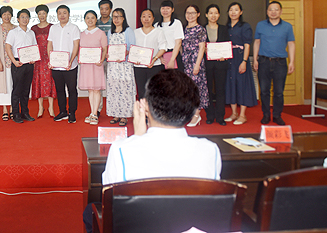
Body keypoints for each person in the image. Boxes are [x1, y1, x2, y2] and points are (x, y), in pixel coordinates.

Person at [83, 69, 222, 233]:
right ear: (192, 112)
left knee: (90, 212)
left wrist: (138, 137)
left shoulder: (122, 150)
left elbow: (110, 198)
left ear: (146, 107)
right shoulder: (210, 151)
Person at [253, 1, 295, 126]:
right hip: (264, 61)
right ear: (267, 12)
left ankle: (277, 115)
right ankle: (266, 115)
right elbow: (257, 42)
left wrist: (292, 61)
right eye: (271, 9)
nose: (273, 12)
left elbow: (291, 44)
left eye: (276, 9)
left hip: (280, 63)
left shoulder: (287, 26)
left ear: (280, 11)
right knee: (264, 91)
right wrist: (255, 59)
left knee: (279, 92)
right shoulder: (260, 25)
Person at [225, 2, 257, 125]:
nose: (233, 12)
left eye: (236, 10)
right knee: (231, 85)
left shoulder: (245, 26)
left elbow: (247, 45)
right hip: (229, 59)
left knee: (242, 86)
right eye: (231, 10)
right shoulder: (226, 27)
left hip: (240, 58)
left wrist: (244, 61)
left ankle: (243, 115)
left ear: (241, 12)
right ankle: (234, 113)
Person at [47, 4, 81, 123]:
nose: (62, 15)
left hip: (70, 66)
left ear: (69, 14)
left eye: (64, 13)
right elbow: (50, 44)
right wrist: (51, 60)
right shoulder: (53, 28)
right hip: (56, 66)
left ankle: (72, 112)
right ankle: (62, 112)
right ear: (57, 15)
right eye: (59, 13)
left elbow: (76, 45)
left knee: (72, 90)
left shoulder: (74, 28)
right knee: (59, 90)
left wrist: (70, 61)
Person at [5, 9, 37, 123]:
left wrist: (33, 59)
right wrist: (14, 61)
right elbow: (8, 47)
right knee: (17, 90)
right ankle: (15, 114)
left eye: (27, 17)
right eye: (22, 17)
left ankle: (25, 113)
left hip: (29, 63)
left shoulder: (31, 33)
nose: (25, 19)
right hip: (18, 63)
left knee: (26, 90)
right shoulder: (13, 32)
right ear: (18, 19)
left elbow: (34, 47)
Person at [106, 8, 137, 127]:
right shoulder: (110, 31)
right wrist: (108, 54)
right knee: (114, 89)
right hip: (113, 65)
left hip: (125, 65)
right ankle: (116, 114)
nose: (116, 19)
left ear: (123, 18)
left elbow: (132, 47)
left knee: (124, 89)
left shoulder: (128, 31)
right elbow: (109, 47)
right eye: (114, 17)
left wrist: (124, 54)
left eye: (118, 16)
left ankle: (124, 115)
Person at [182, 5, 209, 127]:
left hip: (195, 61)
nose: (190, 15)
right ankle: (190, 113)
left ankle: (197, 115)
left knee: (197, 89)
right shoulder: (183, 29)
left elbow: (202, 48)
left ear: (198, 14)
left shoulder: (200, 29)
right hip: (186, 62)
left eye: (193, 13)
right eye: (188, 13)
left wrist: (197, 65)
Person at [79, 10, 108, 125]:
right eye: (87, 18)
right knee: (90, 90)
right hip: (86, 65)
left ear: (96, 19)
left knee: (96, 90)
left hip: (97, 65)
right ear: (84, 20)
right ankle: (92, 112)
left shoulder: (101, 33)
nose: (90, 20)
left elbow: (105, 49)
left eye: (92, 18)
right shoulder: (82, 34)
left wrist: (102, 59)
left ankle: (95, 114)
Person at [204, 4, 229, 126]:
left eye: (216, 13)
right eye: (211, 13)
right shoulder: (202, 29)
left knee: (220, 90)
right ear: (206, 15)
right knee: (207, 90)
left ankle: (220, 117)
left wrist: (225, 55)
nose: (213, 15)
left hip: (221, 64)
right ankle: (210, 115)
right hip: (207, 64)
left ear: (219, 15)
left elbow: (227, 45)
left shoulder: (224, 29)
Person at [133, 8, 166, 100]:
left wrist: (154, 59)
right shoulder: (135, 32)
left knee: (153, 91)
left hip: (154, 66)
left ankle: (152, 109)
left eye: (149, 16)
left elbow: (163, 48)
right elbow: (132, 49)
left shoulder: (159, 32)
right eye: (144, 16)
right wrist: (134, 59)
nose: (146, 19)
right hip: (139, 66)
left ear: (153, 18)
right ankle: (143, 109)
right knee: (141, 91)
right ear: (140, 18)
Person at [31, 4, 56, 118]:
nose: (42, 16)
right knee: (39, 82)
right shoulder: (33, 29)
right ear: (37, 15)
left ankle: (51, 107)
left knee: (50, 81)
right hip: (38, 59)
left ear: (47, 14)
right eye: (39, 14)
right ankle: (40, 107)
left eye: (44, 13)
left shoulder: (52, 27)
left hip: (50, 57)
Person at [0, 6, 16, 121]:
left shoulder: (16, 28)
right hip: (3, 62)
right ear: (1, 16)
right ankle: (5, 110)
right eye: (4, 14)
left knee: (13, 85)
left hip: (15, 62)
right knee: (4, 85)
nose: (7, 17)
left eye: (9, 14)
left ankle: (13, 109)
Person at [96, 0, 113, 116]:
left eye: (106, 9)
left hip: (112, 59)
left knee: (111, 84)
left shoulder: (115, 23)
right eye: (101, 9)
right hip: (98, 59)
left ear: (110, 9)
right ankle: (97, 109)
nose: (104, 11)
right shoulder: (95, 23)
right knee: (98, 85)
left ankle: (113, 109)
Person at [158, 0, 184, 71]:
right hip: (161, 57)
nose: (165, 11)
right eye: (163, 8)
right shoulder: (156, 25)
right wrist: (159, 57)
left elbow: (178, 43)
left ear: (172, 10)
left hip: (174, 55)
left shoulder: (176, 23)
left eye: (168, 8)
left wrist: (172, 60)